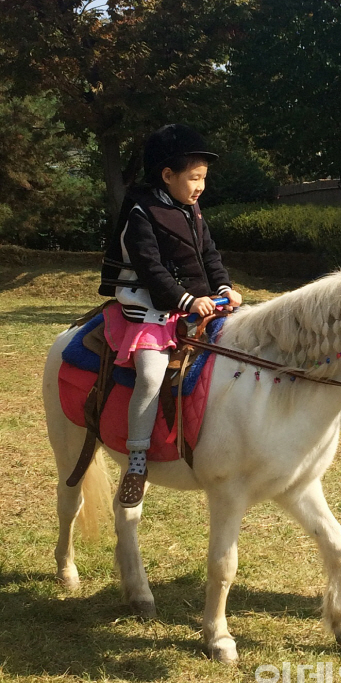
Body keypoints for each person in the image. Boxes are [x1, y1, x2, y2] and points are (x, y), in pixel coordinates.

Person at [99, 124, 243, 508]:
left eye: (204, 179)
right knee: (150, 374)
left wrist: (224, 288)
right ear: (167, 175)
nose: (201, 187)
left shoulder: (191, 208)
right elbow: (150, 269)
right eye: (194, 178)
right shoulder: (140, 211)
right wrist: (187, 301)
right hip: (148, 308)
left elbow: (209, 255)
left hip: (194, 302)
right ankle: (137, 459)